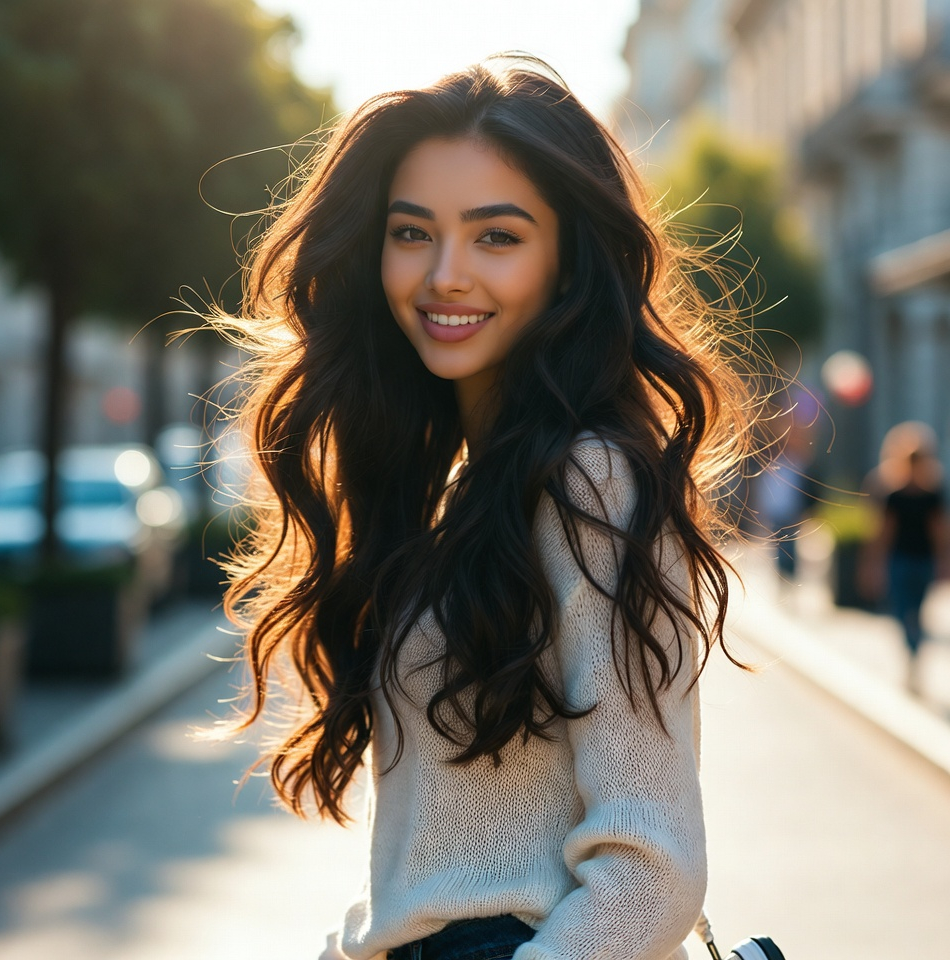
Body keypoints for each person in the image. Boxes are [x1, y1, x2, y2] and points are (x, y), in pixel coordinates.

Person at [214, 57, 758, 960]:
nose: (445, 275)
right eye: (412, 232)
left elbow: (652, 866)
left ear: (568, 260)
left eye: (497, 237)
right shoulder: (465, 487)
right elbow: (446, 858)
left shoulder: (590, 480)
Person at [862, 422, 949, 693]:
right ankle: (911, 654)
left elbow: (939, 532)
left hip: (922, 560)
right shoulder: (893, 494)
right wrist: (873, 564)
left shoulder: (932, 494)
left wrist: (944, 561)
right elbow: (884, 532)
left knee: (918, 611)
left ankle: (914, 658)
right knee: (902, 610)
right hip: (899, 559)